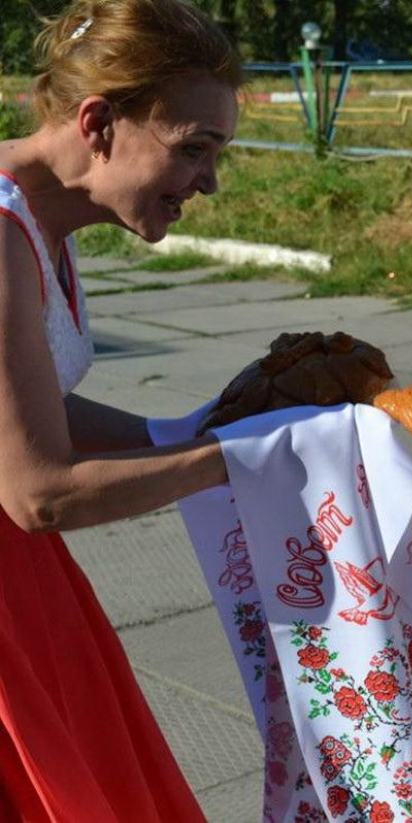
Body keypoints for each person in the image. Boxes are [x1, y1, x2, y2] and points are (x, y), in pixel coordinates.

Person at [0, 0, 243, 818]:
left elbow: (38, 407)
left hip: (25, 584)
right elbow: (39, 492)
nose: (209, 181)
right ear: (99, 121)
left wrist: (179, 432)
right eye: (193, 149)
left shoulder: (41, 224)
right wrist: (239, 462)